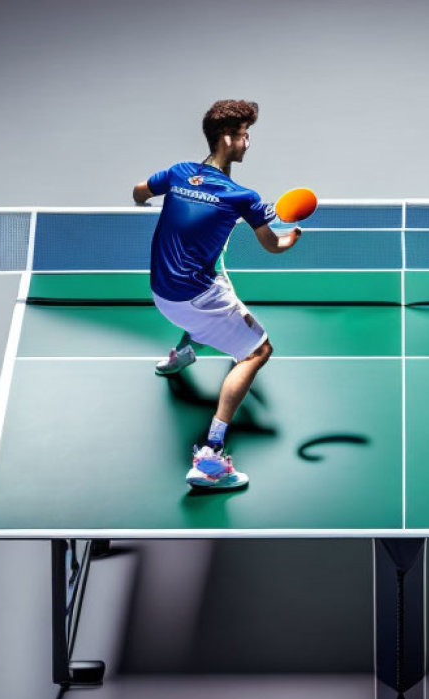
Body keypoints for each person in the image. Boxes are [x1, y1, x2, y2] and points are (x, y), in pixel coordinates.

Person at [133, 99, 301, 489]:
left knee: (219, 280)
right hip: (194, 299)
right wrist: (290, 239)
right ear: (227, 138)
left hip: (160, 291)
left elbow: (140, 192)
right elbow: (272, 246)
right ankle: (210, 457)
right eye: (244, 135)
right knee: (258, 351)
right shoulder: (242, 197)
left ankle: (183, 353)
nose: (248, 143)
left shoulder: (178, 173)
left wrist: (143, 202)